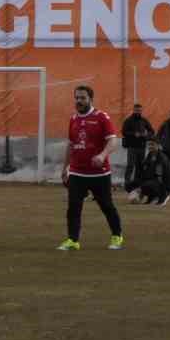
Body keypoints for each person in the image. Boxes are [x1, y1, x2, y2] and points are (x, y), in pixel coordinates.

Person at [56, 85, 124, 252]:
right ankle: (73, 240)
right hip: (77, 172)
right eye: (77, 97)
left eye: (82, 98)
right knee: (73, 206)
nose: (79, 101)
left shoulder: (101, 117)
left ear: (90, 99)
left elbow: (113, 141)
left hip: (99, 174)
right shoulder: (73, 119)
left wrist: (102, 155)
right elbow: (71, 145)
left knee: (106, 205)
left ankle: (117, 236)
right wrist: (65, 167)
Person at [125, 138, 170, 206]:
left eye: (152, 145)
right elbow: (146, 171)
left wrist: (141, 188)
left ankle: (163, 196)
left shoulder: (161, 158)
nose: (150, 146)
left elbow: (160, 178)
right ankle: (150, 197)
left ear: (159, 146)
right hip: (150, 180)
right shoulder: (150, 155)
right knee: (128, 185)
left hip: (161, 183)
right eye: (149, 145)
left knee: (145, 186)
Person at [120, 103, 155, 188]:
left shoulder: (144, 120)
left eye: (139, 110)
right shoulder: (128, 120)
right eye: (136, 110)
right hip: (132, 146)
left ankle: (137, 183)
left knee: (140, 166)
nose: (138, 112)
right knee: (130, 165)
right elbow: (124, 132)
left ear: (141, 111)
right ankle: (127, 183)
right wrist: (133, 134)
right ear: (133, 110)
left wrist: (146, 135)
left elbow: (152, 131)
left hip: (142, 146)